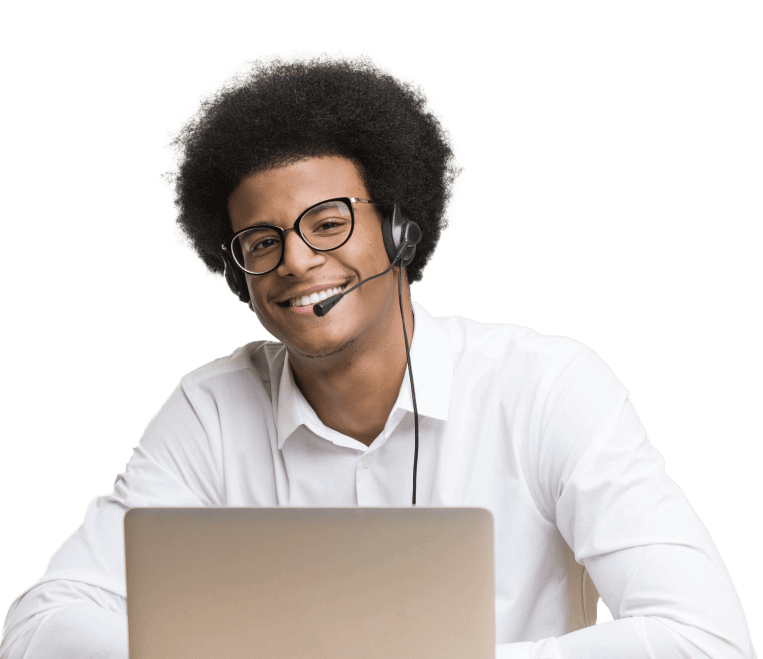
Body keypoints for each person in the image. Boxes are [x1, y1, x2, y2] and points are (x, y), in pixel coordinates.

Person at [0, 48, 755, 659]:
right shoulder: (207, 408)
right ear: (237, 272)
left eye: (326, 222)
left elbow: (706, 637)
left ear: (400, 228)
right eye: (261, 242)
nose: (294, 260)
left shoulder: (545, 385)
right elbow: (42, 623)